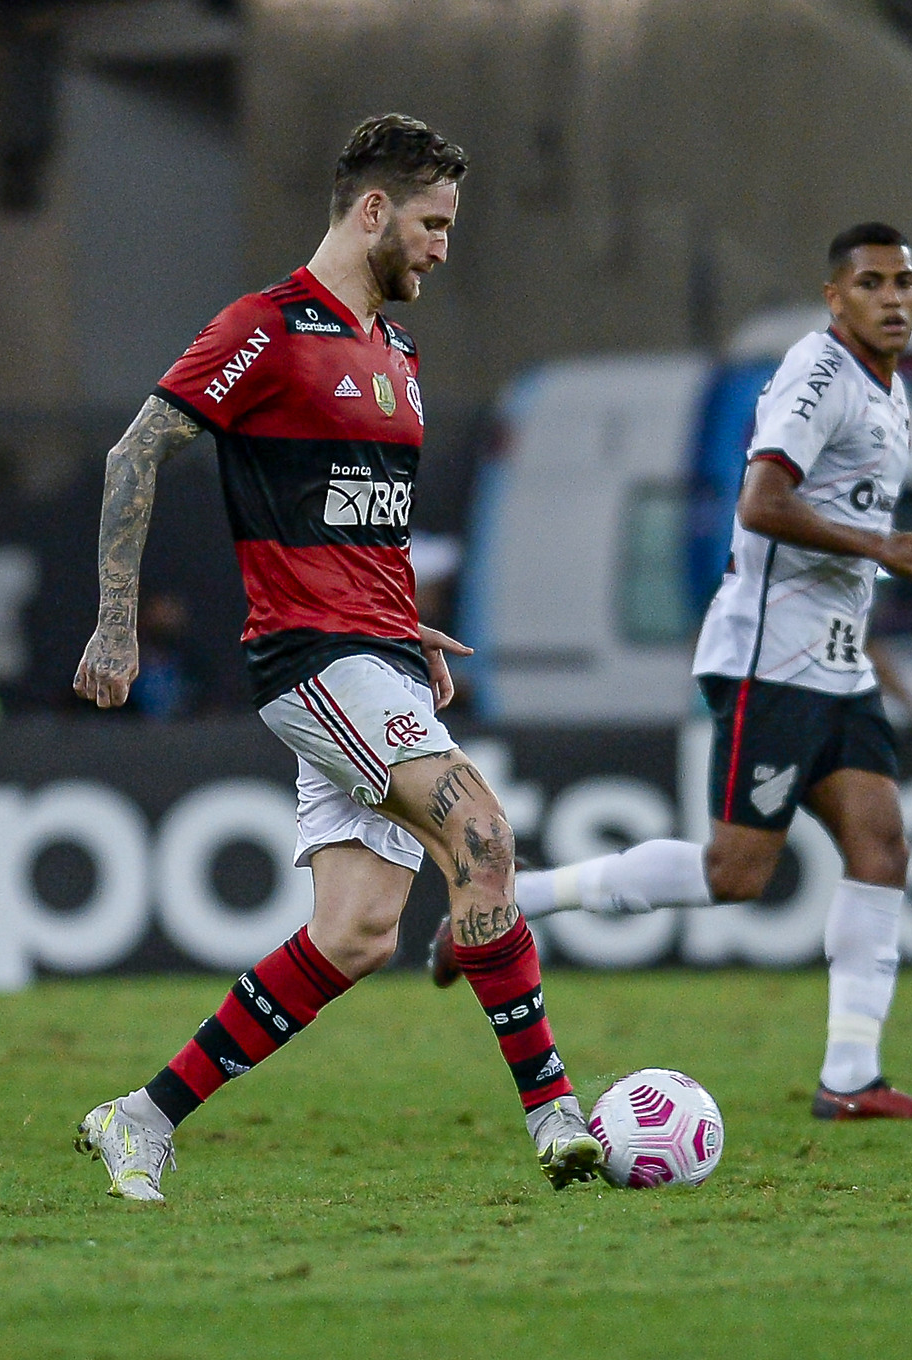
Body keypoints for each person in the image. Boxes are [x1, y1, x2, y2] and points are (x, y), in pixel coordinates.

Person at [71, 115, 603, 1202]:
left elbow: (364, 521)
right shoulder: (263, 330)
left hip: (377, 658)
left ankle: (140, 1115)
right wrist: (116, 621)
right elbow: (137, 452)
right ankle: (556, 1117)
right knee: (484, 835)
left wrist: (405, 625)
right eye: (434, 222)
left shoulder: (398, 355)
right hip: (311, 659)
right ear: (373, 210)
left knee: (355, 933)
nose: (445, 247)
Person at [431, 224, 912, 1121]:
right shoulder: (820, 374)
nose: (894, 298)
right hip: (772, 660)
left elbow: (835, 534)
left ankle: (850, 1078)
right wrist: (889, 548)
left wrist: (890, 576)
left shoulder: (889, 388)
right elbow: (761, 503)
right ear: (835, 297)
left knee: (882, 847)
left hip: (836, 664)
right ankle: (516, 899)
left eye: (906, 282)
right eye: (872, 283)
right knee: (737, 874)